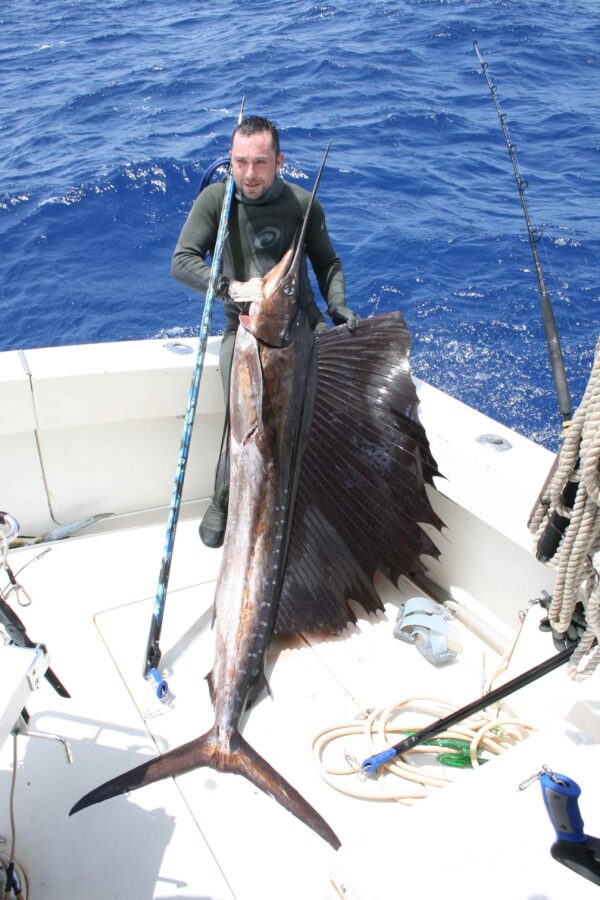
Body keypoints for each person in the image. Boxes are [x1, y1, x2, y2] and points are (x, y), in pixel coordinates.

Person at [172, 115, 359, 547]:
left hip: (301, 330)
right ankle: (223, 499)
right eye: (240, 162)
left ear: (279, 160)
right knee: (241, 426)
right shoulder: (216, 202)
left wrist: (337, 305)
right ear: (230, 161)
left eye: (260, 162)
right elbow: (182, 261)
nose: (250, 174)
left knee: (313, 424)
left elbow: (327, 263)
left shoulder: (300, 203)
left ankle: (308, 504)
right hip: (241, 333)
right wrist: (229, 289)